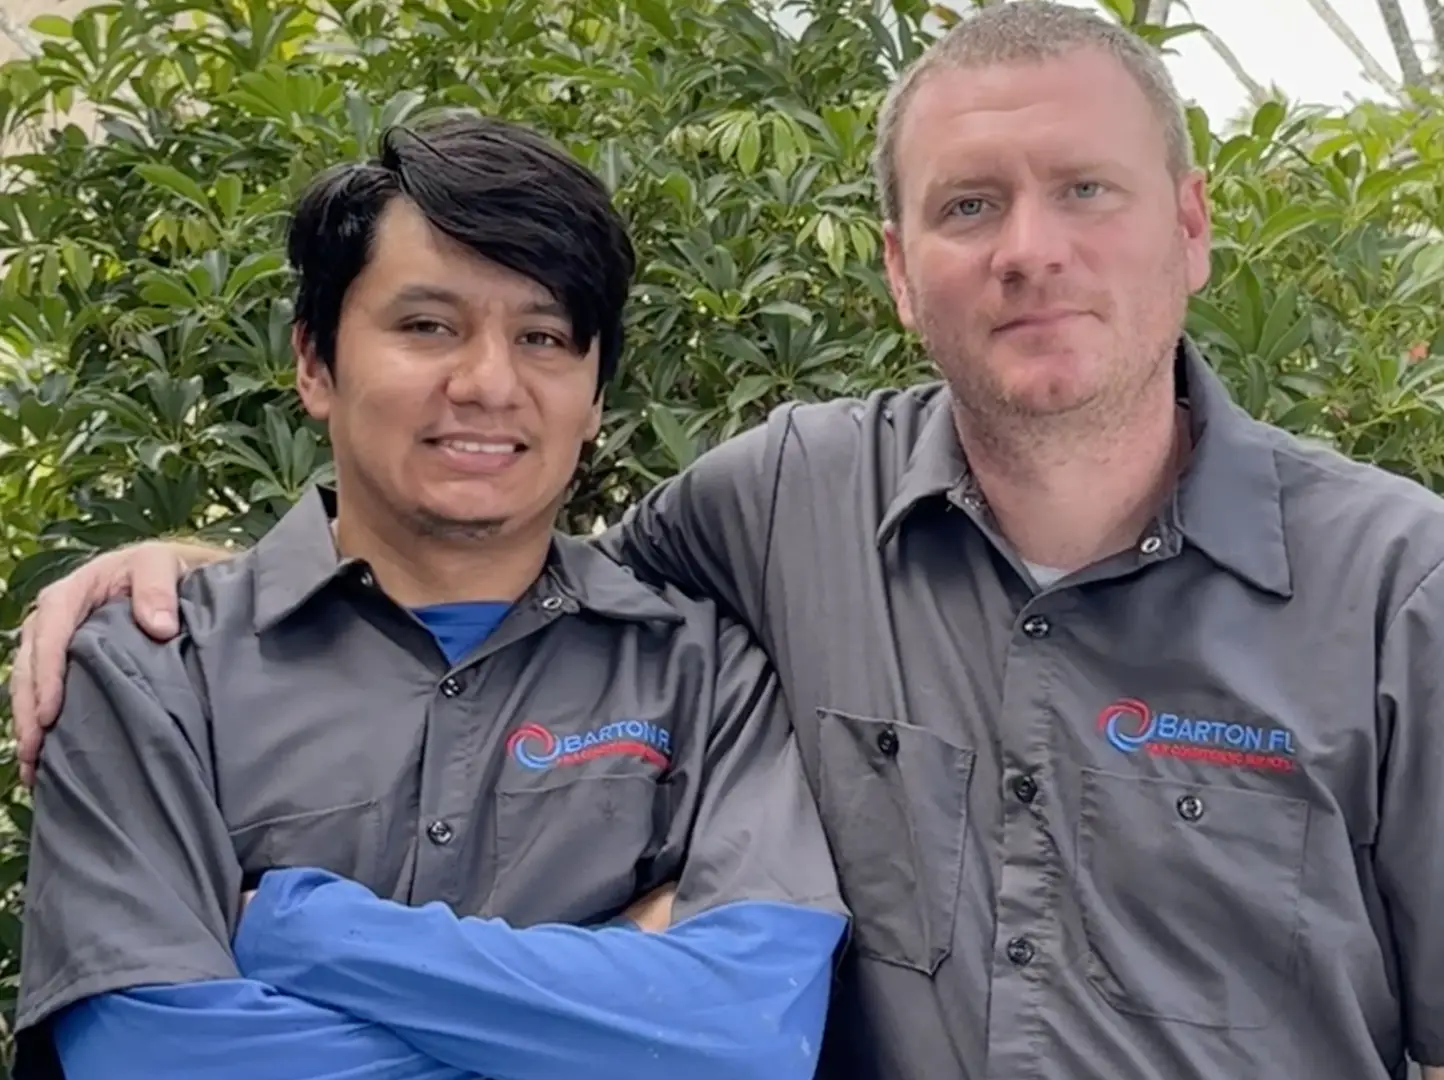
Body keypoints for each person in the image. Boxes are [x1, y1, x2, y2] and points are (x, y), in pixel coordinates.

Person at [13, 3, 1444, 1079]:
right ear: (896, 268)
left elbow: (745, 1028)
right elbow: (482, 558)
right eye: (966, 206)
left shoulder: (1400, 589)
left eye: (1087, 190)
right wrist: (213, 570)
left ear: (1192, 226)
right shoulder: (780, 507)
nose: (1028, 249)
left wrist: (298, 933)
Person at [7, 111, 847, 1080]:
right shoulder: (152, 668)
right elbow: (153, 1057)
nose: (489, 382)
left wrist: (294, 930)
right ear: (315, 363)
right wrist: (614, 1003)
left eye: (543, 337)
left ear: (597, 393)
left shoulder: (706, 678)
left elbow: (743, 1037)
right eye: (427, 326)